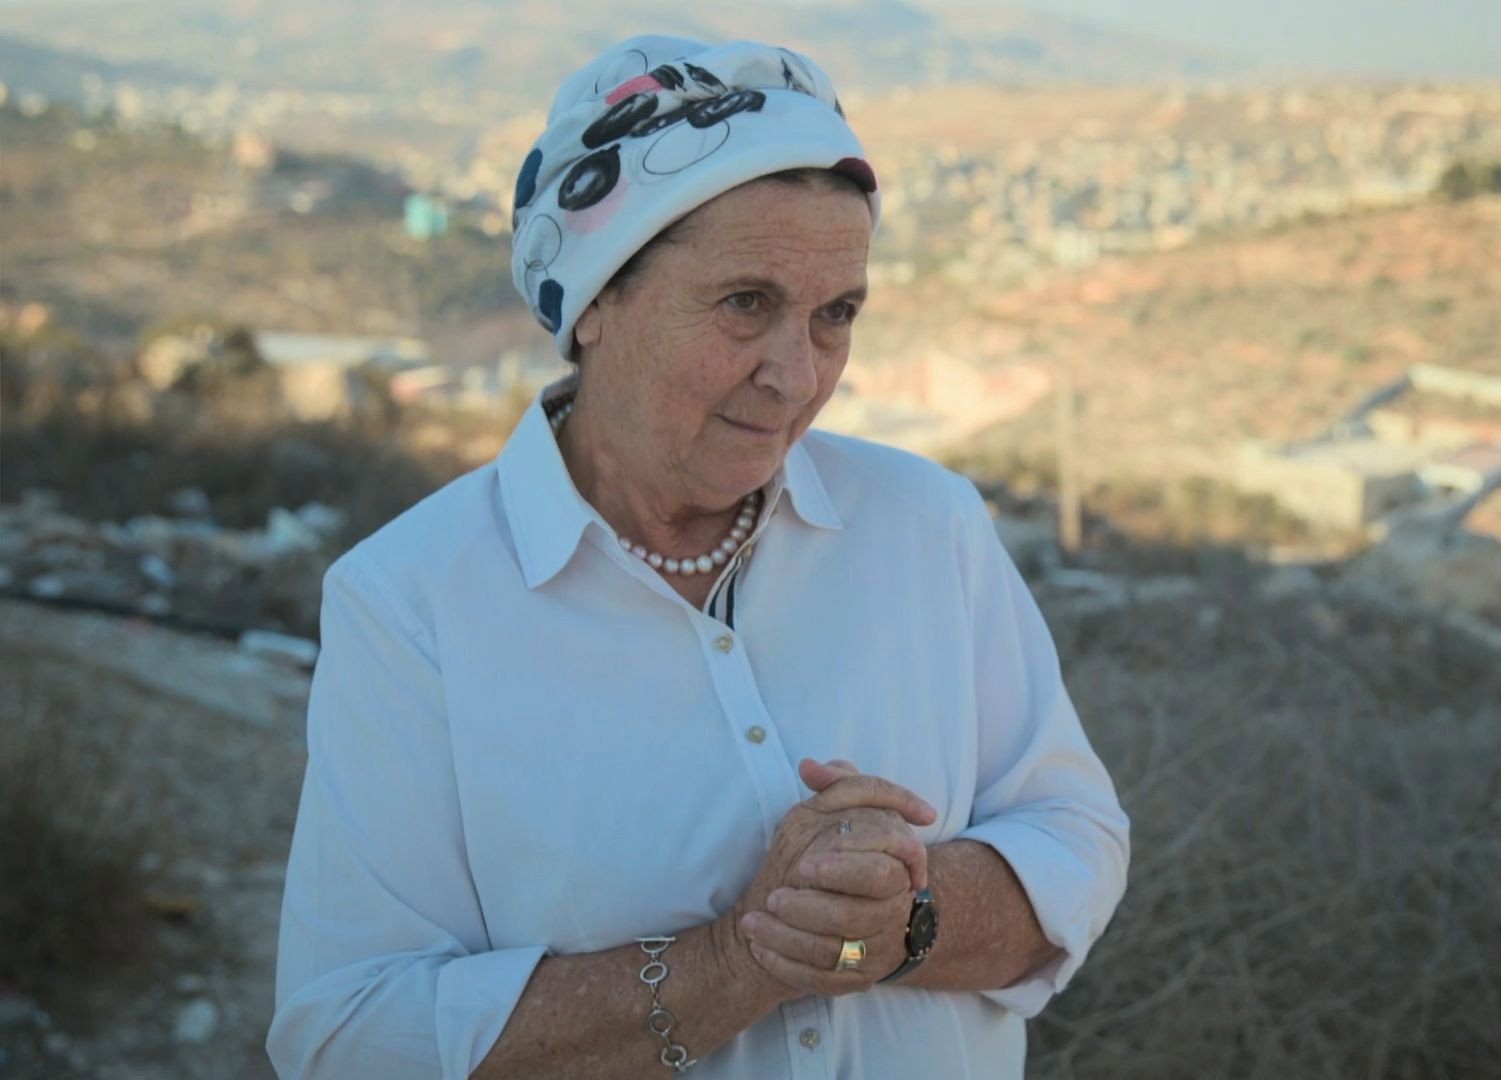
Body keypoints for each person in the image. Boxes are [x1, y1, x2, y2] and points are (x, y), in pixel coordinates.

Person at [266, 34, 1129, 1080]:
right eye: (745, 304)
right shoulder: (412, 602)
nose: (795, 375)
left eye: (835, 315)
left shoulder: (925, 524)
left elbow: (1076, 836)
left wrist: (906, 914)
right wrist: (738, 960)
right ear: (596, 302)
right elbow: (351, 1034)